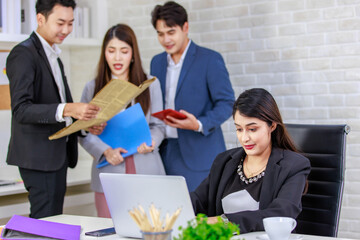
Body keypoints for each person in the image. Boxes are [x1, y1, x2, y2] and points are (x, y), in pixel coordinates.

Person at [6, 0, 101, 219]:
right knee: (45, 223)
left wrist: (85, 124)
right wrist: (69, 108)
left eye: (70, 23)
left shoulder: (53, 56)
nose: (66, 30)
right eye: (60, 23)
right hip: (39, 159)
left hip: (55, 157)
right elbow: (21, 110)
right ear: (40, 19)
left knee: (51, 221)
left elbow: (57, 110)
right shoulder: (23, 54)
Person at [190, 88, 311, 233]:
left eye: (252, 129)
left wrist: (223, 222)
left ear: (272, 126)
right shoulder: (224, 161)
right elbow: (197, 200)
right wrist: (172, 210)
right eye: (239, 129)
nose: (244, 138)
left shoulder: (294, 166)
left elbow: (280, 214)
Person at [79, 24, 166, 218]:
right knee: (109, 231)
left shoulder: (150, 84)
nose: (117, 58)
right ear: (104, 54)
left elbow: (159, 126)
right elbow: (83, 132)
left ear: (133, 54)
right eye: (111, 51)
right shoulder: (92, 87)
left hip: (146, 168)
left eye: (124, 51)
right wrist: (105, 151)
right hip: (109, 171)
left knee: (149, 230)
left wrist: (151, 142)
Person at [150, 1, 235, 191]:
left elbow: (227, 103)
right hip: (165, 151)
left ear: (185, 27)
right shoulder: (156, 62)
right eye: (160, 34)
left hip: (200, 153)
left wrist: (198, 124)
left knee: (199, 216)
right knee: (169, 215)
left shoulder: (210, 59)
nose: (166, 40)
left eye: (171, 32)